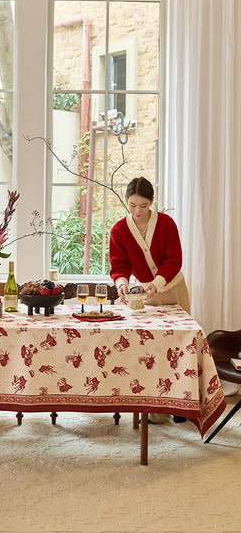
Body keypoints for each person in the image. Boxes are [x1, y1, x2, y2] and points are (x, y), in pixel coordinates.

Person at [109, 176, 190, 424]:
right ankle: (153, 405)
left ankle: (181, 404)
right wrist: (122, 285)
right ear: (126, 202)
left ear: (151, 203)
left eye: (143, 206)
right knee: (152, 349)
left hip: (172, 288)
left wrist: (157, 284)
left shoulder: (166, 224)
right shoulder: (120, 230)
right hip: (145, 297)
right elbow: (119, 265)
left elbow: (174, 260)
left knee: (179, 346)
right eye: (132, 205)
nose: (137, 211)